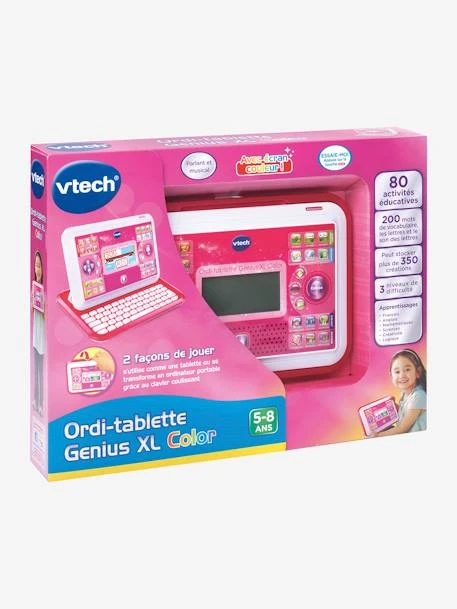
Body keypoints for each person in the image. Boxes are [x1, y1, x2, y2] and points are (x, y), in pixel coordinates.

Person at [371, 349, 426, 437]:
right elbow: (405, 411)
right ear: (391, 376)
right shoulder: (404, 394)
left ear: (418, 372)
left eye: (407, 369)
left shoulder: (419, 396)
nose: (402, 375)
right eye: (397, 372)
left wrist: (377, 436)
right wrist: (393, 407)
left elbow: (402, 428)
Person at [32, 251, 45, 416]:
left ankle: (41, 404)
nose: (37, 270)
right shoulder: (34, 286)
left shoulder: (44, 291)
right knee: (35, 371)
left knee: (41, 373)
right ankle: (36, 400)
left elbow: (47, 317)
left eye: (40, 266)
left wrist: (43, 305)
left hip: (42, 341)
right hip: (35, 338)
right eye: (36, 266)